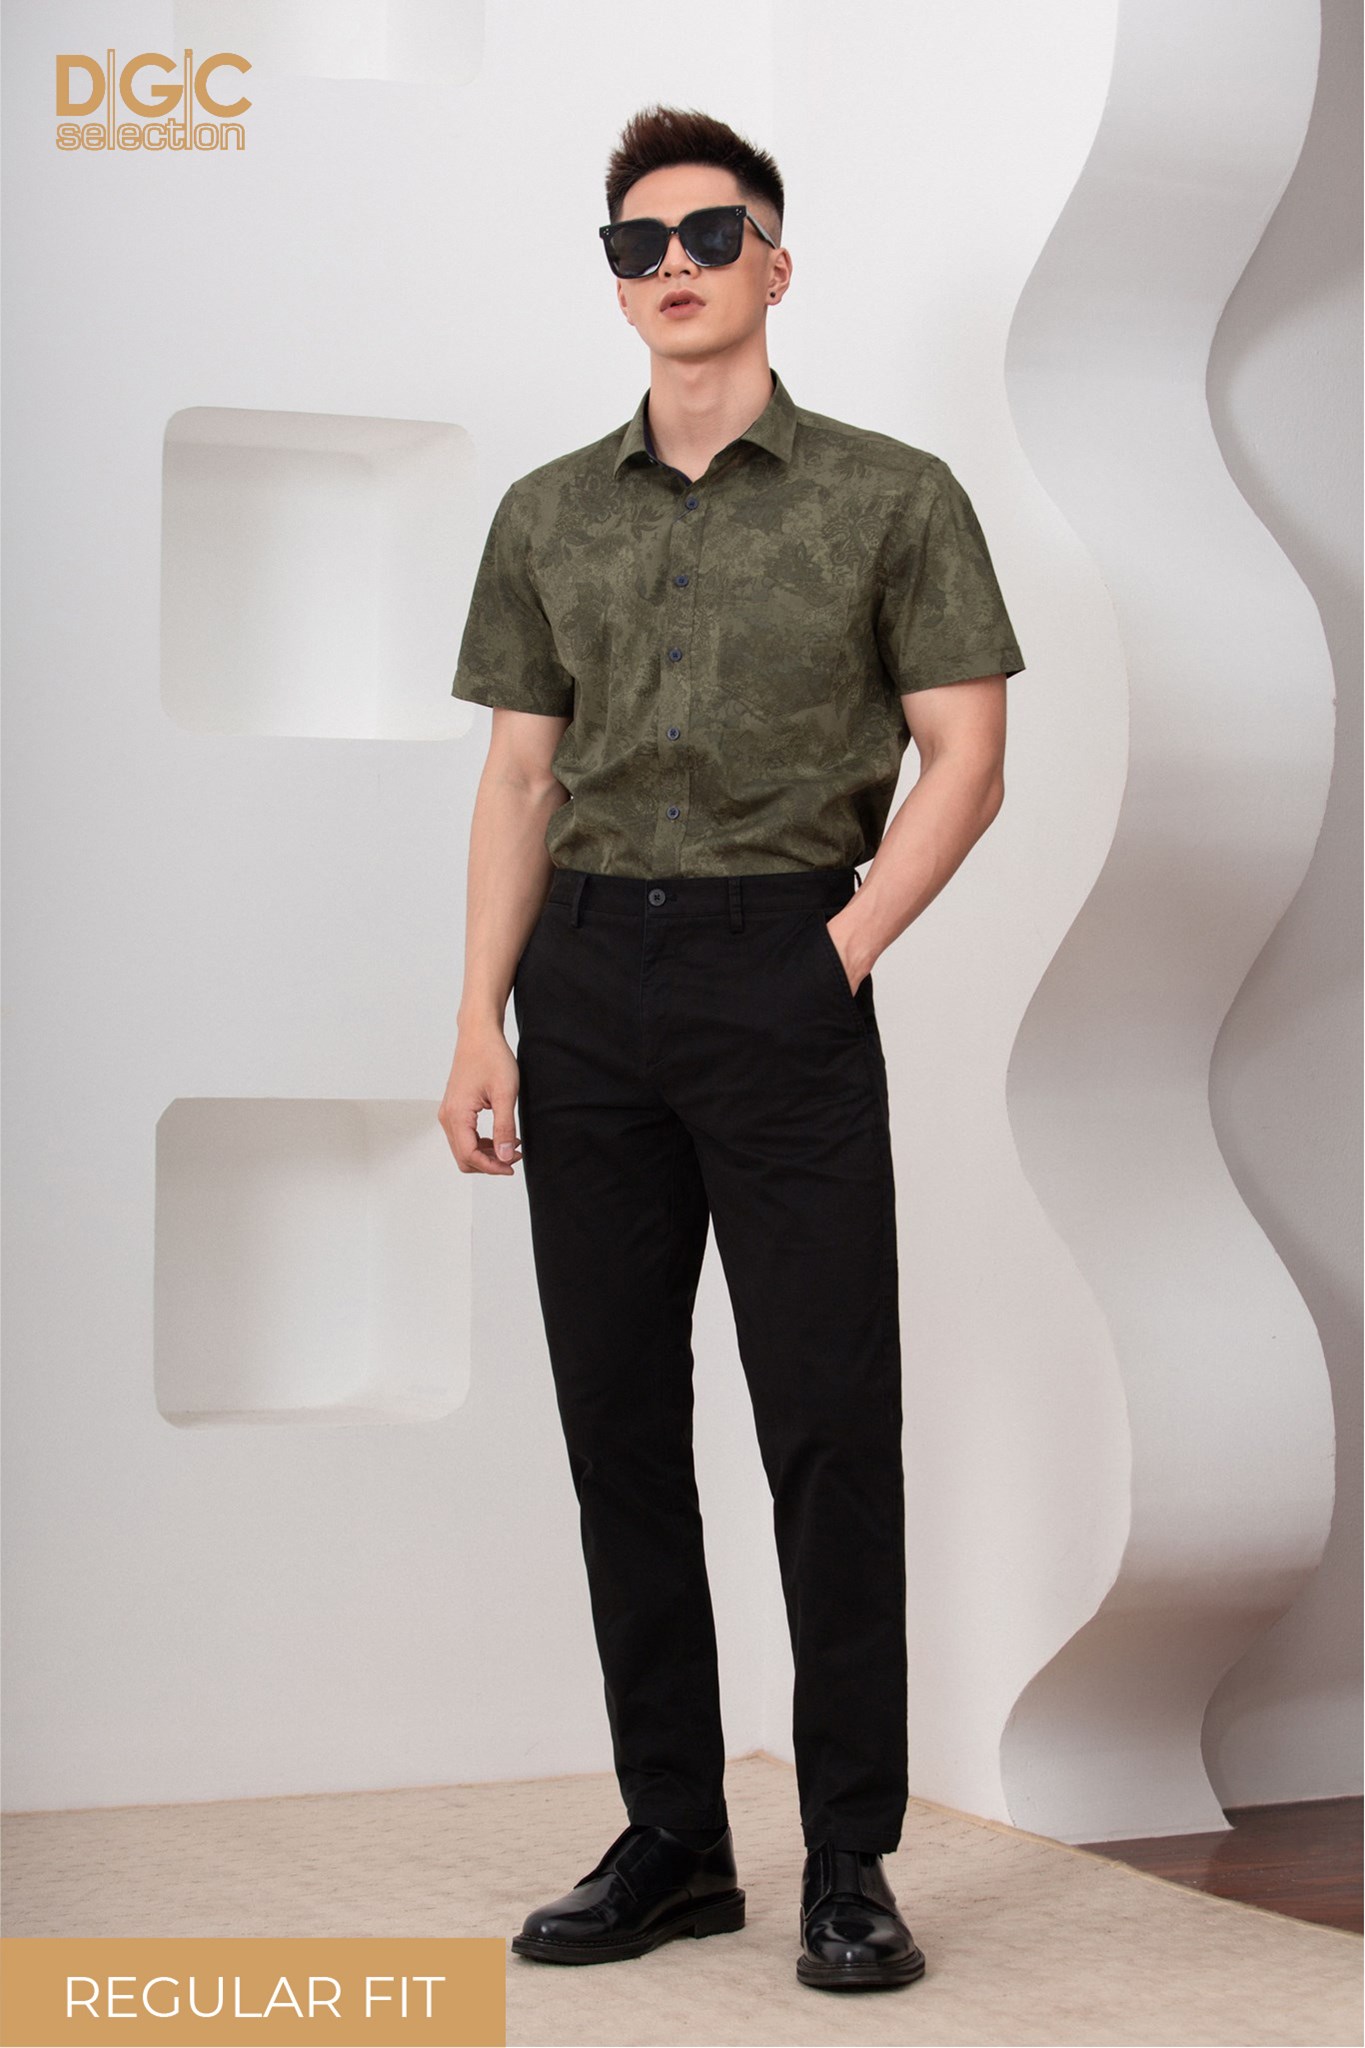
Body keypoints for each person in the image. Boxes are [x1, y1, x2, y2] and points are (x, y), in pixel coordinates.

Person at [439, 102, 1025, 1993]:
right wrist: (478, 1021)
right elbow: (518, 779)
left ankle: (847, 1855)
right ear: (615, 282)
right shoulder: (547, 511)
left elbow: (965, 756)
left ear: (775, 259)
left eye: (708, 233)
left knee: (827, 1424)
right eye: (638, 245)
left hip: (783, 972)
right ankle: (676, 1844)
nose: (672, 265)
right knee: (618, 1423)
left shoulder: (891, 494)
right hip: (583, 988)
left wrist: (838, 947)